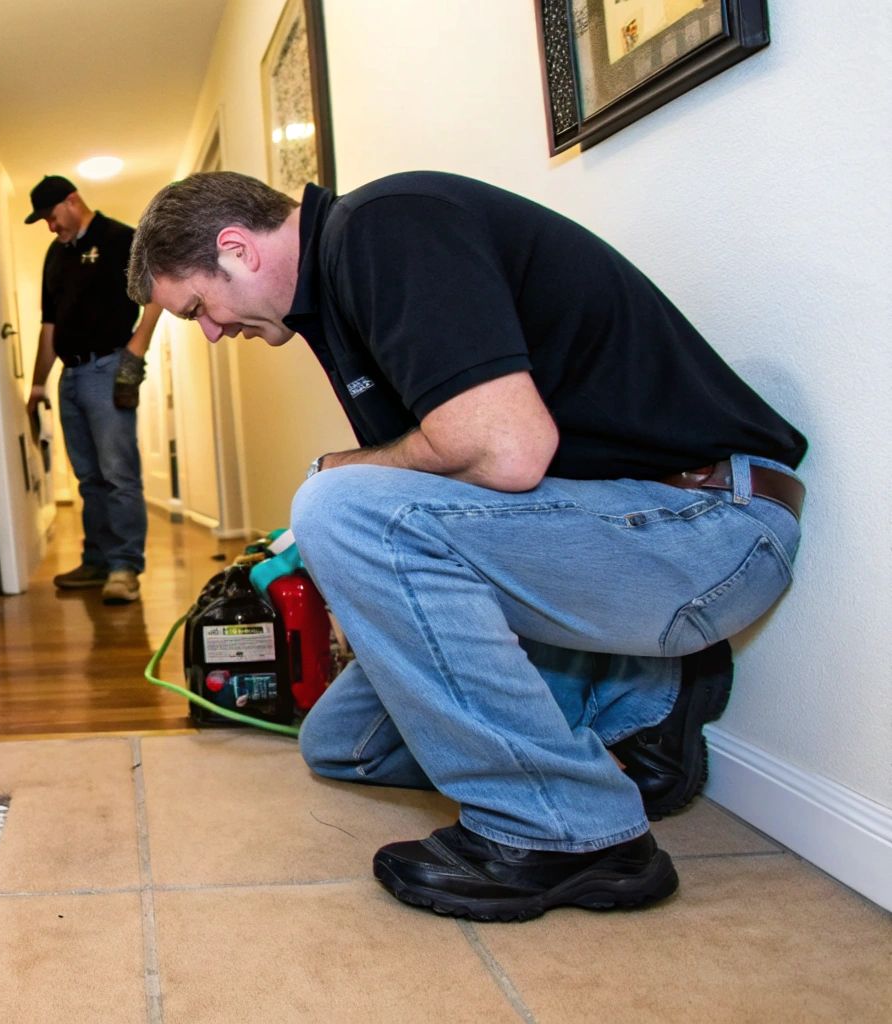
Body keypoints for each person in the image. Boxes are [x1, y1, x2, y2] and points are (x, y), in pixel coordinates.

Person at [126, 170, 806, 921]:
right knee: (342, 745)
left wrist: (336, 477)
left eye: (198, 309)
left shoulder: (384, 228)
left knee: (338, 507)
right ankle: (638, 706)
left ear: (236, 248)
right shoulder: (336, 299)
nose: (215, 334)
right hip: (609, 541)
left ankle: (570, 828)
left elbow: (507, 451)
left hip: (705, 529)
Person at [24, 175, 162, 604]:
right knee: (88, 477)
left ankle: (124, 567)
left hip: (108, 367)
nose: (51, 226)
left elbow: (157, 293)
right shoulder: (55, 255)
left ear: (72, 201)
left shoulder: (120, 237)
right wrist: (37, 383)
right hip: (71, 375)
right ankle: (98, 559)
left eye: (52, 216)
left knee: (119, 473)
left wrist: (136, 349)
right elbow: (49, 325)